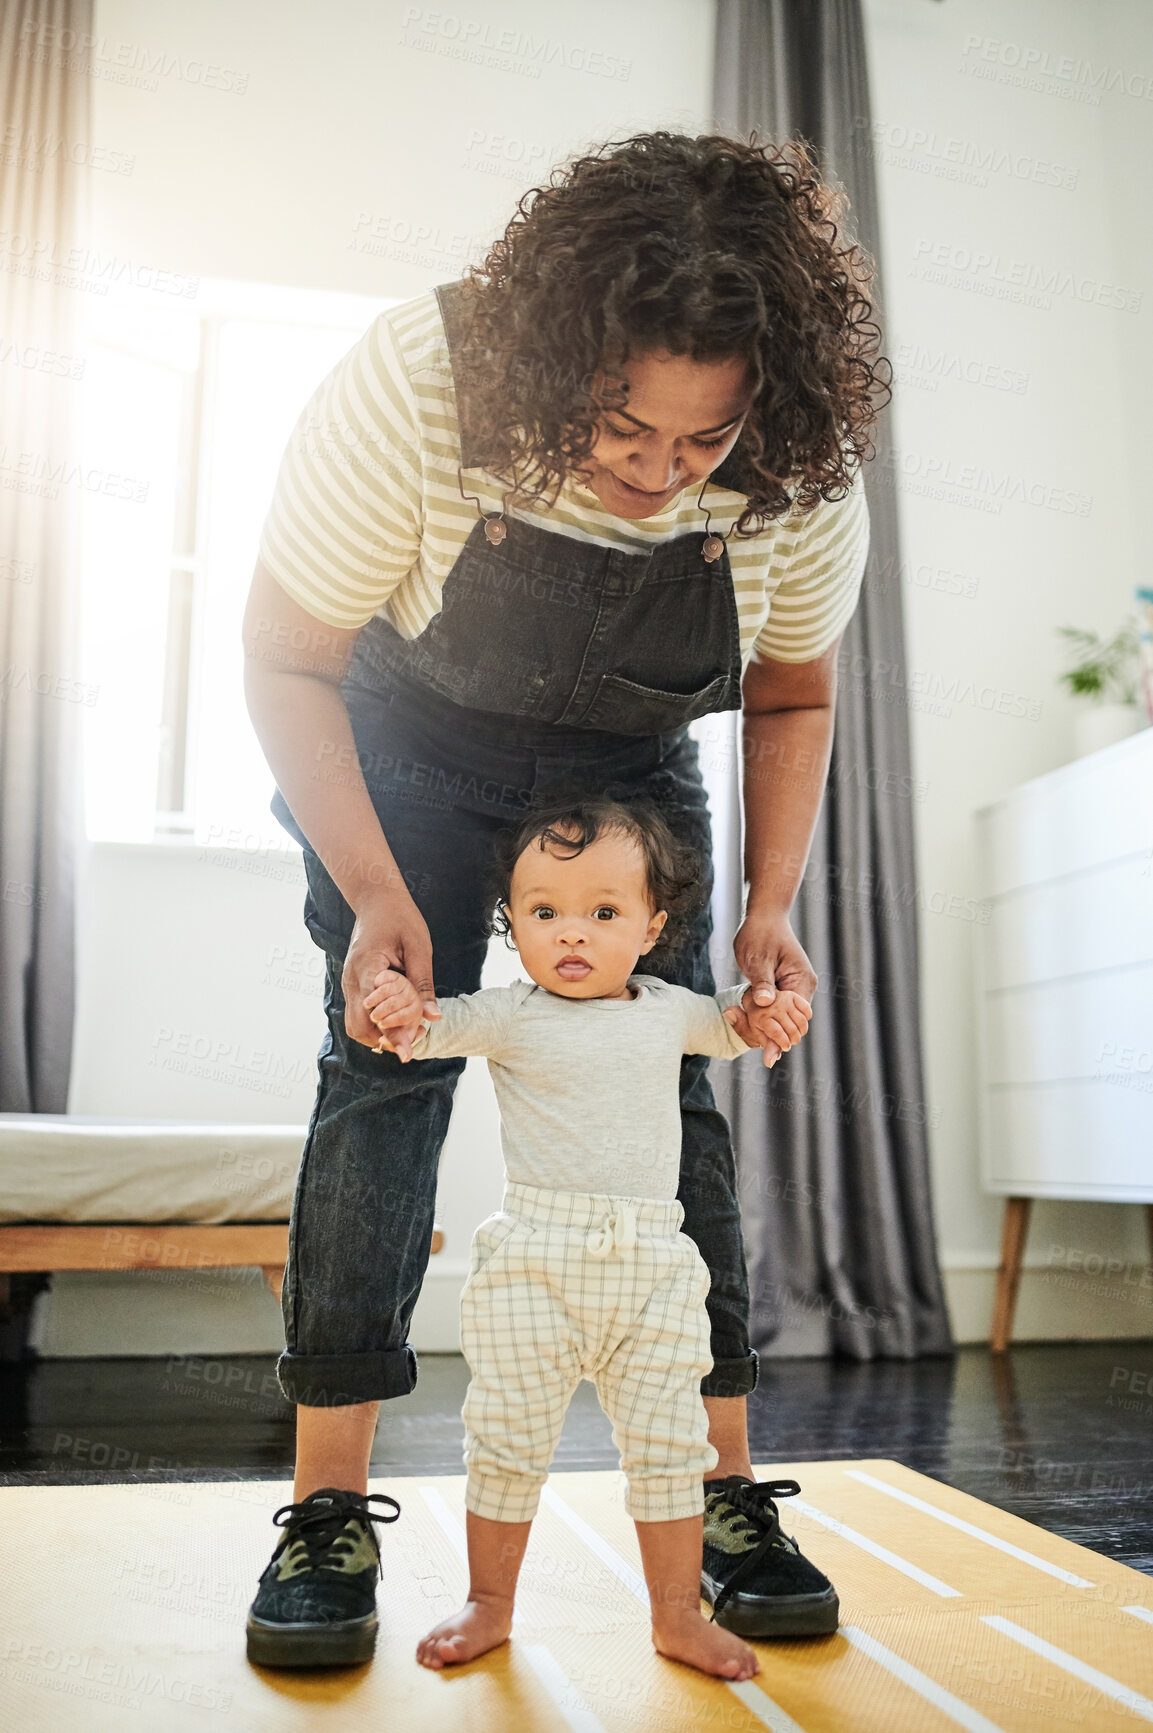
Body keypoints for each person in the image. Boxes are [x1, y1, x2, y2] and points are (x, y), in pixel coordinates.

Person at [241, 128, 886, 1669]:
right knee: (377, 1078)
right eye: (621, 432)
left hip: (627, 764)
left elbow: (792, 694)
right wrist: (378, 892)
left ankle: (726, 1492)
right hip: (401, 741)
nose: (661, 478)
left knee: (684, 1107)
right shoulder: (418, 379)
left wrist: (771, 906)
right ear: (556, 351)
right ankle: (327, 1513)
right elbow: (287, 656)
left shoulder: (799, 465)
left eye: (701, 447)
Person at [362, 796, 810, 1678]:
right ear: (513, 926)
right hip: (534, 1263)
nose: (572, 933)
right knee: (506, 1436)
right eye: (544, 913)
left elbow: (738, 1020)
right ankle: (488, 1602)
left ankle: (676, 1615)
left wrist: (772, 1014)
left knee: (672, 1448)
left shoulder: (670, 1008)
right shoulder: (509, 1013)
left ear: (651, 927)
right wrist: (393, 1003)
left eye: (602, 913)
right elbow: (421, 1026)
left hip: (652, 1270)